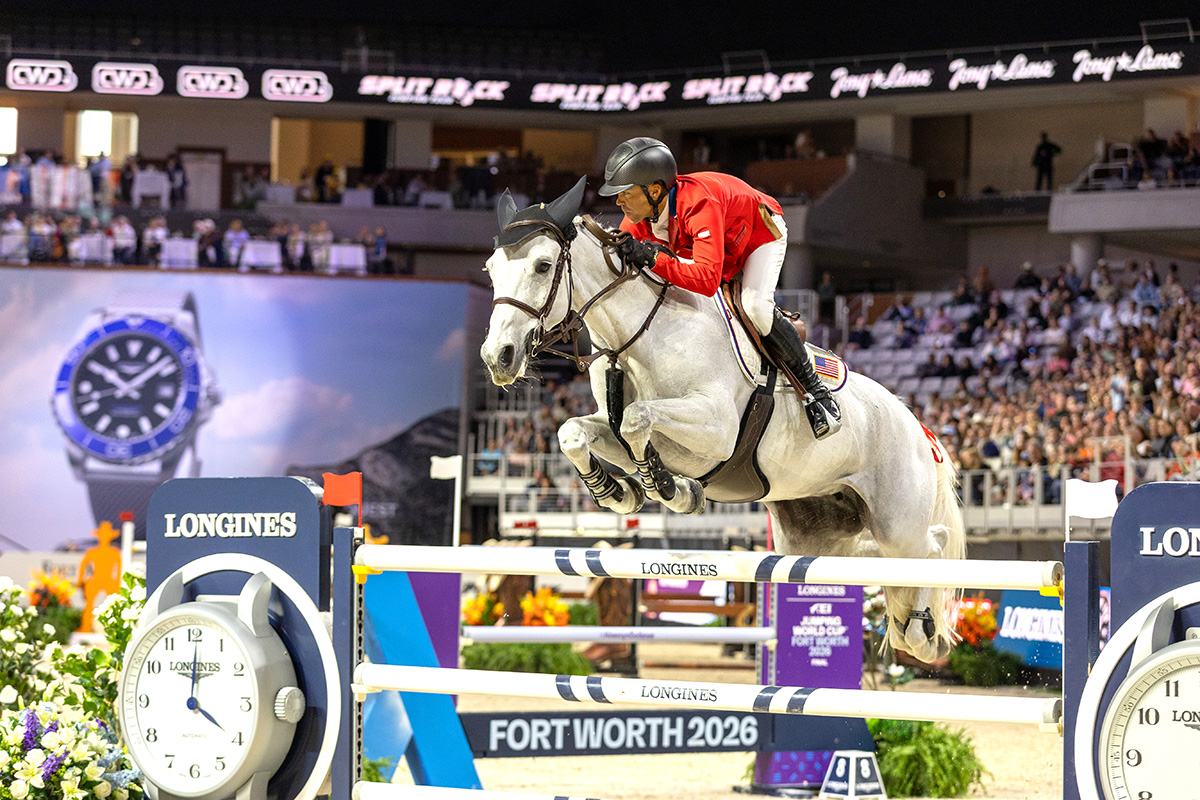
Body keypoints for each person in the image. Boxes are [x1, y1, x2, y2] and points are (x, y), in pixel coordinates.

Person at [598, 137, 840, 439]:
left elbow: (706, 280)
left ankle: (816, 392)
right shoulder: (641, 214)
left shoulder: (698, 202)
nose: (618, 202)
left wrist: (653, 257)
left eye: (625, 194)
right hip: (716, 246)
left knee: (756, 308)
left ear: (655, 190)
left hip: (759, 234)